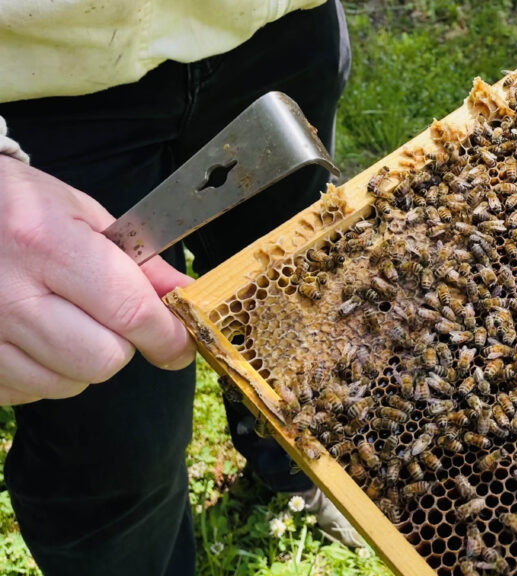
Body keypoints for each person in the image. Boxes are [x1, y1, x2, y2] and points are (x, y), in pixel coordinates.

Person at [0, 1, 362, 573]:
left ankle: (291, 465)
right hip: (37, 85)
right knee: (118, 444)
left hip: (279, 29)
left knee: (297, 315)